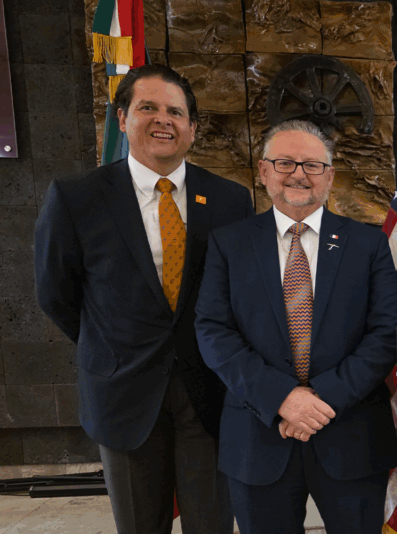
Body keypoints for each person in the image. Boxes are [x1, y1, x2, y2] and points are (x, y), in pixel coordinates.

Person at [34, 64, 253, 533]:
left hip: (210, 396)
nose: (163, 120)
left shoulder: (231, 200)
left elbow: (240, 295)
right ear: (122, 117)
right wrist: (110, 344)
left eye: (175, 111)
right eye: (148, 107)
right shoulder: (76, 197)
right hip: (123, 395)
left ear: (192, 128)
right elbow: (56, 293)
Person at [193, 120, 397, 534]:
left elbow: (385, 333)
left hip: (351, 437)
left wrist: (318, 401)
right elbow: (213, 331)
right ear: (263, 170)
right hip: (258, 437)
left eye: (312, 165)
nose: (298, 174)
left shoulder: (368, 244)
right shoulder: (228, 243)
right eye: (285, 162)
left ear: (330, 175)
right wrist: (282, 399)